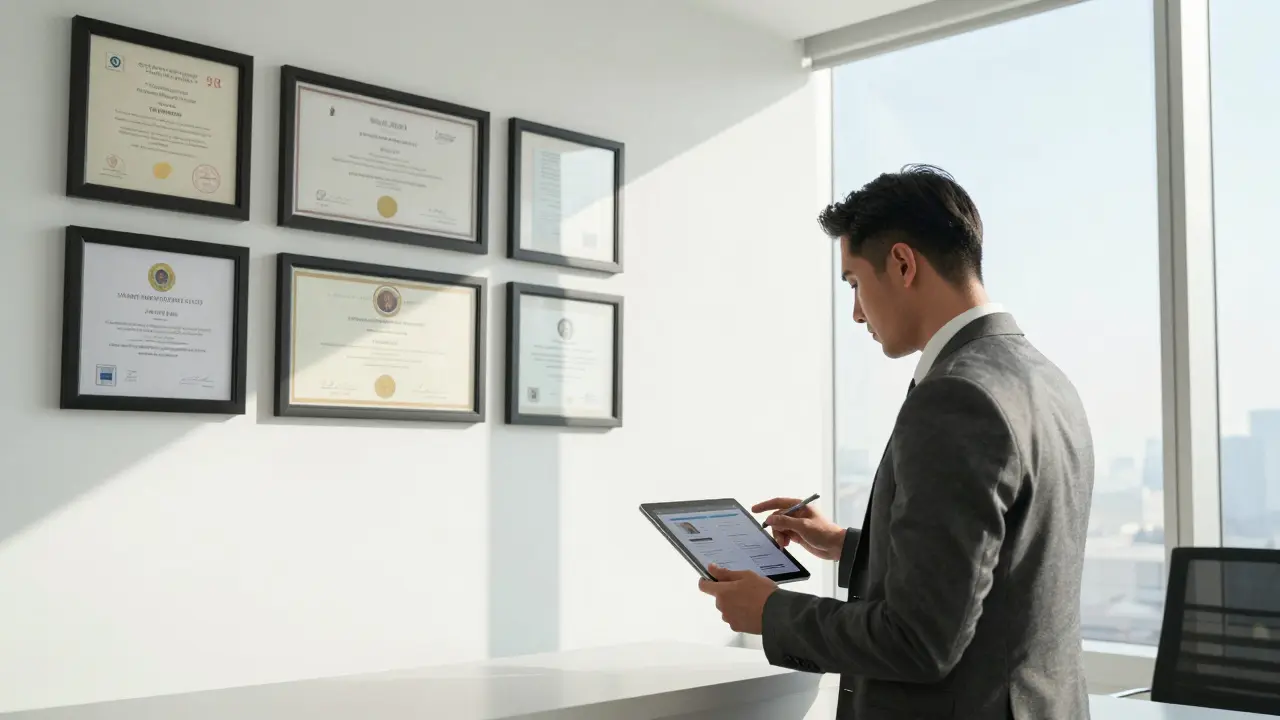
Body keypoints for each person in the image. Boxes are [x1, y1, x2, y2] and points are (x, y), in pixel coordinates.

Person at [697, 164, 1094, 719]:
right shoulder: (1045, 378)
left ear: (903, 264)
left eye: (855, 283)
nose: (857, 312)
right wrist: (846, 547)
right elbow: (998, 570)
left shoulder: (955, 396)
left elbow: (919, 640)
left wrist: (770, 612)